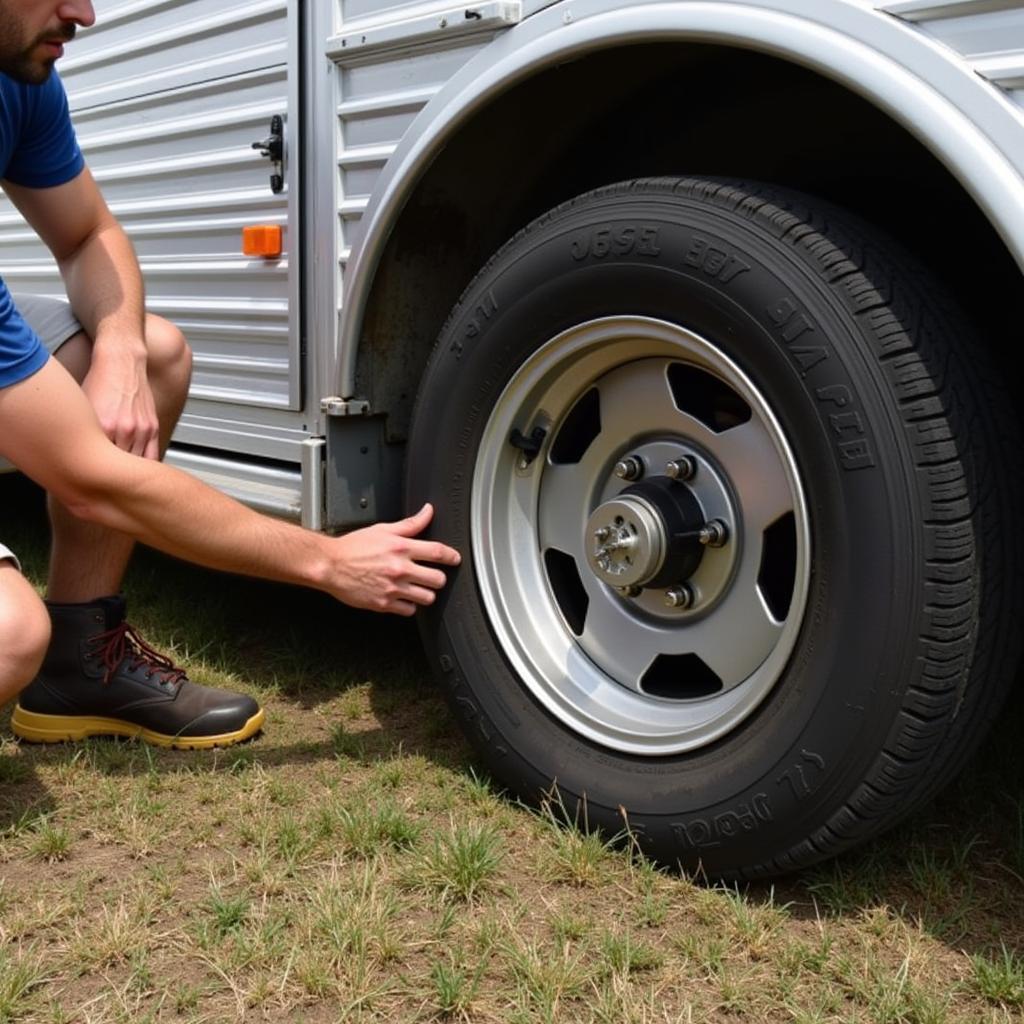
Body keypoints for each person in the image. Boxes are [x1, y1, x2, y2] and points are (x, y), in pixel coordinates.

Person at [0, 0, 461, 749]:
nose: (84, 13)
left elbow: (88, 233)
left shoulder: (20, 76)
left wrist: (119, 351)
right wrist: (329, 561)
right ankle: (42, 651)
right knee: (8, 636)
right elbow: (89, 476)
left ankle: (79, 666)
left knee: (154, 352)